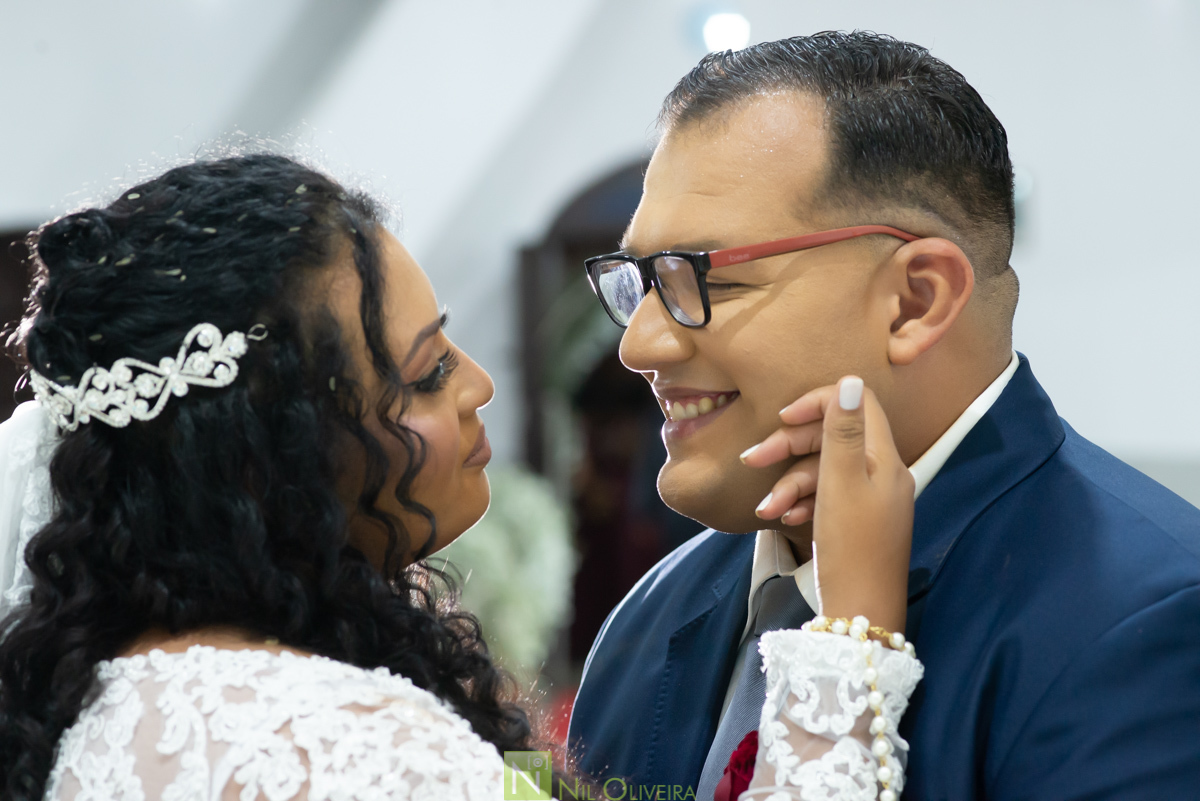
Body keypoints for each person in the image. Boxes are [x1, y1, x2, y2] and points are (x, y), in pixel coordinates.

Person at [0, 153, 926, 801]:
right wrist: (851, 641)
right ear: (274, 459)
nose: (480, 384)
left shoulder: (112, 690)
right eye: (429, 372)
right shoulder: (343, 746)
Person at [569, 31, 1200, 800]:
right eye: (641, 281)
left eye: (703, 279)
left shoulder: (1146, 620)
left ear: (915, 301)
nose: (639, 343)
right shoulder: (650, 616)